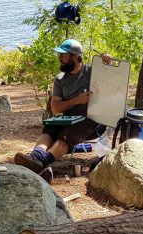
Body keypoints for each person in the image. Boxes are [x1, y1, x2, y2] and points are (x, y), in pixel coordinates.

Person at [14, 39, 108, 173]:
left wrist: (107, 61)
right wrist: (76, 100)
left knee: (67, 135)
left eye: (63, 55)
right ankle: (36, 155)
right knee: (50, 128)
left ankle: (42, 161)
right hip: (69, 118)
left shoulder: (92, 71)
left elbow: (113, 77)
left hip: (92, 120)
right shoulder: (60, 79)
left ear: (75, 57)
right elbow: (56, 108)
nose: (59, 58)